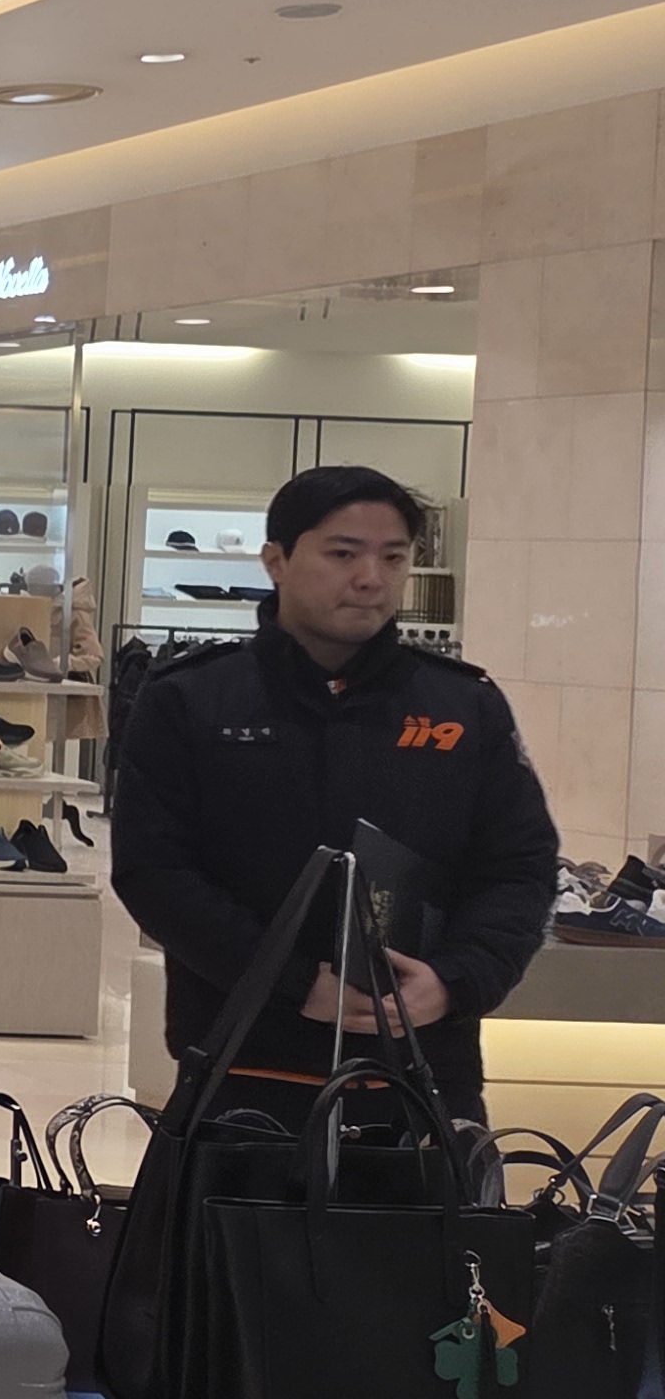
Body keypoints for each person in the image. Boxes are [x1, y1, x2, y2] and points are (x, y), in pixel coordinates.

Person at [113, 465, 552, 1119]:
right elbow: (154, 872)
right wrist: (294, 983)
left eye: (393, 557)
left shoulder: (464, 705)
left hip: (424, 1081)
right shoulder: (191, 699)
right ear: (276, 560)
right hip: (242, 1074)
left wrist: (455, 980)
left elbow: (520, 866)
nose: (371, 578)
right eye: (343, 554)